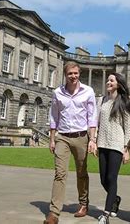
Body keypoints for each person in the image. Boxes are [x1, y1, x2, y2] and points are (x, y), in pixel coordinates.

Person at [44, 61, 97, 224]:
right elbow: (54, 116)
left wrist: (92, 139)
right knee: (60, 173)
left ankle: (83, 203)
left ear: (79, 73)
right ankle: (54, 213)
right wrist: (52, 139)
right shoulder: (57, 93)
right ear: (65, 75)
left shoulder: (88, 91)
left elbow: (92, 116)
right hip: (63, 137)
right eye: (70, 74)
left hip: (82, 136)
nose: (73, 76)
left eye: (75, 73)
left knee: (82, 172)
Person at [95, 73, 130, 224]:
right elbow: (97, 122)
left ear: (118, 84)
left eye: (112, 80)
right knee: (103, 179)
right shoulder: (102, 100)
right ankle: (115, 198)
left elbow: (129, 126)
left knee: (112, 178)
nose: (108, 82)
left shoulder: (123, 102)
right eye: (108, 80)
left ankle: (105, 214)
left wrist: (126, 148)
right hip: (102, 143)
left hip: (117, 145)